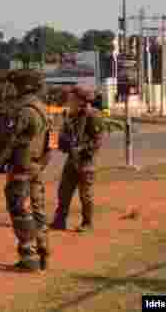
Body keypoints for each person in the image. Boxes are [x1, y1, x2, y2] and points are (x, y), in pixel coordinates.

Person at [0, 69, 52, 272]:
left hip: (22, 166)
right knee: (37, 210)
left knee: (19, 209)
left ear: (22, 87)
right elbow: (49, 142)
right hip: (36, 165)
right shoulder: (42, 108)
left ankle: (29, 256)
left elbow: (11, 139)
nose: (11, 89)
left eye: (14, 85)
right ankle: (43, 251)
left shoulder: (23, 111)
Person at [51, 85, 104, 233]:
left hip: (86, 161)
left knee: (85, 195)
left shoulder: (94, 116)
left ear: (81, 101)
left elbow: (97, 141)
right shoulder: (70, 115)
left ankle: (87, 223)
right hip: (72, 160)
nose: (69, 101)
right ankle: (59, 221)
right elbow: (64, 137)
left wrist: (80, 149)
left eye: (72, 99)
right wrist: (59, 142)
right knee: (64, 191)